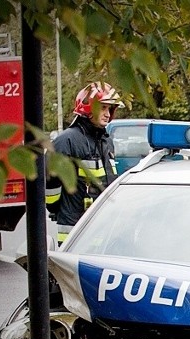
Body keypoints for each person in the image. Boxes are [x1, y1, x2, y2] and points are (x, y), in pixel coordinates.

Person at [46, 81, 124, 244]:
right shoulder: (66, 141)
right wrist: (57, 209)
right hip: (74, 229)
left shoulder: (105, 141)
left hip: (102, 225)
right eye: (103, 107)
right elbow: (50, 182)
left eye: (109, 108)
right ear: (88, 108)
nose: (107, 114)